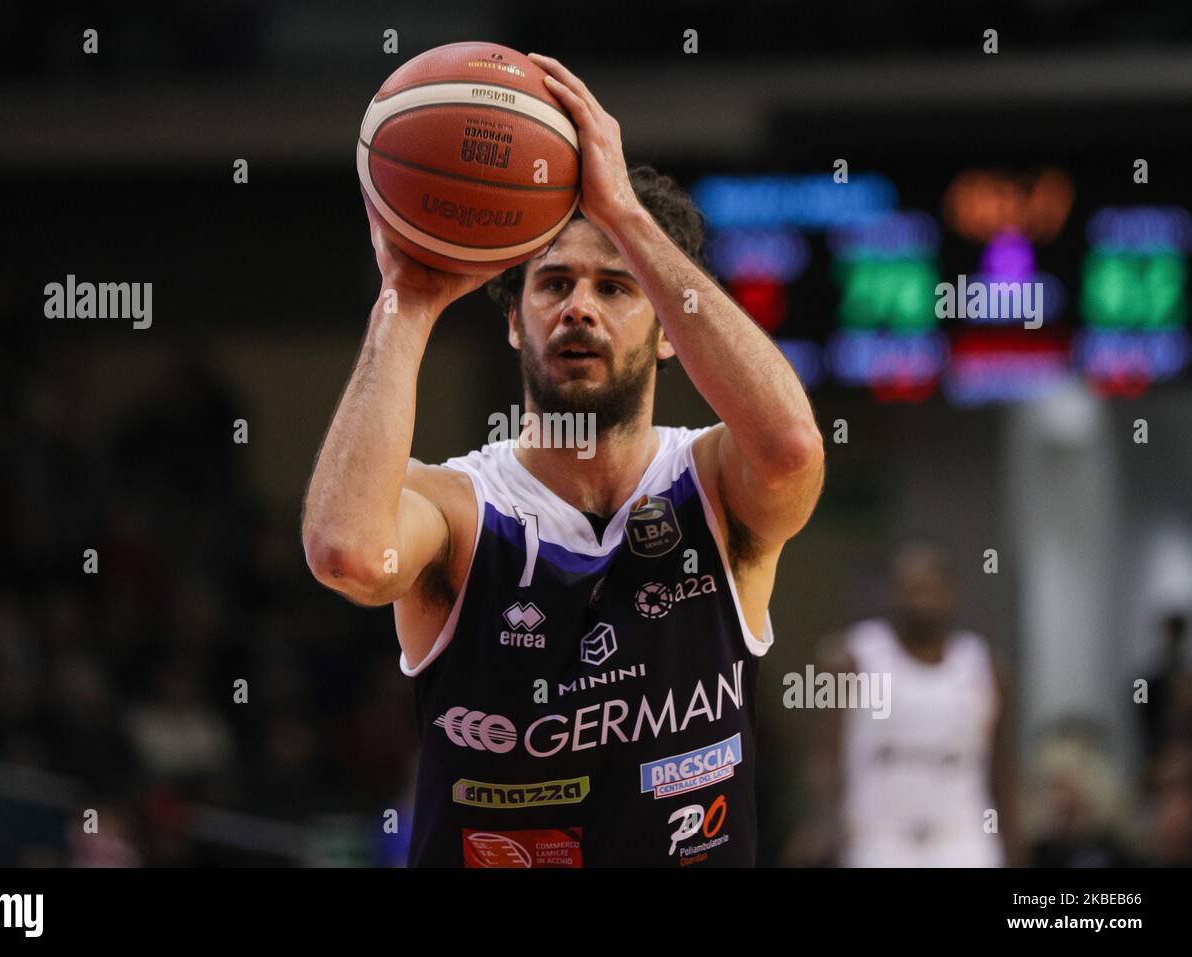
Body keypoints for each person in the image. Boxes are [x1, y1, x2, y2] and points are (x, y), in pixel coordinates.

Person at [302, 53, 824, 866]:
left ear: (667, 335)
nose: (580, 304)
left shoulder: (716, 488)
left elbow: (793, 449)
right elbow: (347, 551)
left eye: (616, 287)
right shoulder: (457, 508)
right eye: (553, 284)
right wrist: (402, 301)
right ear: (515, 322)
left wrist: (624, 214)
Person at [789, 543, 1024, 867]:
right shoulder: (851, 657)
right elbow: (825, 754)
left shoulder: (983, 666)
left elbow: (1001, 767)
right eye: (909, 589)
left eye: (929, 588)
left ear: (951, 592)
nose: (919, 599)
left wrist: (1013, 844)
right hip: (878, 841)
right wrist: (823, 821)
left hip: (963, 839)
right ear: (890, 594)